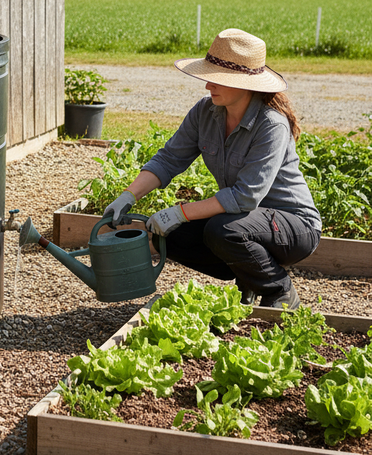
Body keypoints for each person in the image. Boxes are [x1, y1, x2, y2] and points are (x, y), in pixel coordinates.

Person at [103, 28, 321, 309]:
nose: (208, 86)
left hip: (294, 227)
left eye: (217, 80)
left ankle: (279, 290)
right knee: (170, 235)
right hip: (246, 221)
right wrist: (128, 196)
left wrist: (178, 212)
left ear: (245, 84)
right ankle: (249, 278)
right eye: (209, 78)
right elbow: (169, 159)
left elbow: (245, 197)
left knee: (222, 230)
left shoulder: (271, 125)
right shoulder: (205, 112)